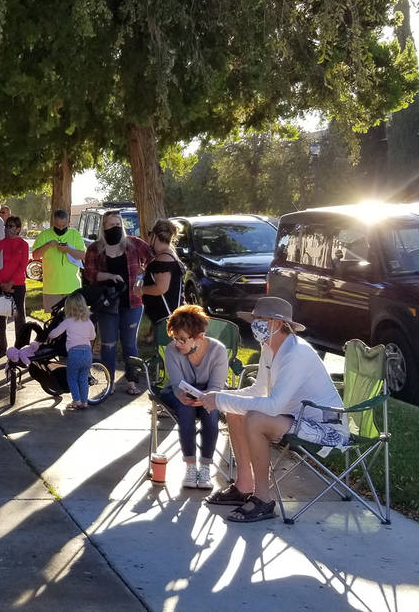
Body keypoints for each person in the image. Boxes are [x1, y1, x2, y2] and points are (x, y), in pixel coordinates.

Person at [196, 296, 346, 523]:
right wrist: (220, 398)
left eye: (260, 320)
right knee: (235, 411)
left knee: (254, 419)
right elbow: (258, 391)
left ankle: (263, 500)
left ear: (276, 324)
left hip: (326, 427)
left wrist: (219, 400)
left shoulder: (296, 354)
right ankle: (244, 485)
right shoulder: (269, 347)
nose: (254, 324)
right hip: (296, 417)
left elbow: (273, 405)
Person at [83, 210, 152, 394]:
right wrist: (109, 275)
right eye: (111, 224)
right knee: (108, 343)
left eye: (118, 224)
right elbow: (89, 273)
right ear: (103, 227)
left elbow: (153, 258)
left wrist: (143, 277)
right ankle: (109, 381)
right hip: (107, 303)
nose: (115, 227)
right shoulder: (95, 248)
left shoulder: (134, 244)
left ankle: (132, 381)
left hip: (132, 301)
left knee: (129, 344)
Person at [161, 305, 229, 490]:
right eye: (175, 338)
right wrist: (181, 395)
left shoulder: (218, 351)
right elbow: (176, 384)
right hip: (180, 393)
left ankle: (205, 468)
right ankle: (191, 468)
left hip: (209, 392)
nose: (177, 344)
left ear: (199, 336)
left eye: (182, 339)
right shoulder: (171, 350)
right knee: (185, 408)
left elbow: (216, 386)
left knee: (210, 409)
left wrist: (206, 397)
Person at [47, 290, 98, 410]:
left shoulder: (68, 322)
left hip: (74, 353)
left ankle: (76, 401)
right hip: (87, 354)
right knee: (83, 378)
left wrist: (49, 334)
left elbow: (54, 334)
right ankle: (84, 402)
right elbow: (93, 337)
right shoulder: (88, 322)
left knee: (72, 378)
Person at [32, 210, 85, 311]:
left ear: (68, 222)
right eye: (57, 225)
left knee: (74, 321)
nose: (60, 228)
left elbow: (83, 256)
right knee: (53, 322)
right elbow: (35, 256)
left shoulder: (75, 235)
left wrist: (68, 249)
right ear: (53, 221)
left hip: (72, 288)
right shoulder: (44, 235)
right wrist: (47, 245)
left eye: (64, 225)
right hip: (51, 288)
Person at [0, 216, 29, 359]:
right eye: (7, 226)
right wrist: (2, 284)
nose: (9, 229)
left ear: (18, 229)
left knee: (19, 318)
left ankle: (21, 348)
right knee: (0, 318)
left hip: (17, 285)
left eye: (12, 226)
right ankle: (1, 347)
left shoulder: (23, 245)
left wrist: (11, 283)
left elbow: (22, 266)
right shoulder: (0, 245)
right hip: (0, 285)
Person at [141, 219, 184, 325]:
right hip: (168, 314)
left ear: (155, 235)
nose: (148, 237)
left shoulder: (163, 259)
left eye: (150, 233)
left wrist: (140, 290)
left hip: (165, 316)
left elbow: (161, 288)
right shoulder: (168, 254)